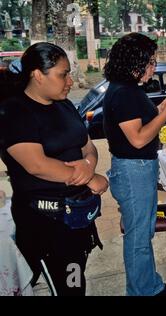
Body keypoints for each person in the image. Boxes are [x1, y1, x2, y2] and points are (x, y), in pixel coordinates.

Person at [0, 42, 108, 296]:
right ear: (38, 75)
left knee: (75, 279)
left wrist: (89, 165)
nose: (70, 81)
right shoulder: (15, 111)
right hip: (46, 223)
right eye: (63, 74)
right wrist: (87, 177)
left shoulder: (65, 105)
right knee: (70, 288)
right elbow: (36, 164)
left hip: (75, 217)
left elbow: (87, 146)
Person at [103, 33, 166, 296]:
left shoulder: (127, 89)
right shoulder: (124, 93)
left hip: (137, 168)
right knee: (138, 238)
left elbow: (140, 123)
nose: (154, 67)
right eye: (150, 62)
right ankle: (142, 292)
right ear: (134, 63)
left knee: (142, 232)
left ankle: (149, 284)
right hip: (132, 169)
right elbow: (138, 139)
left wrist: (159, 110)